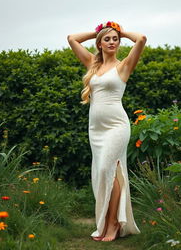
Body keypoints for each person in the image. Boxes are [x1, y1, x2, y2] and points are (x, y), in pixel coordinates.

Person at [67, 21, 147, 242]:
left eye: (115, 39)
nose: (112, 42)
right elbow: (72, 38)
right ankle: (105, 224)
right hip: (96, 130)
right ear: (100, 44)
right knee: (105, 175)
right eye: (107, 39)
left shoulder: (124, 66)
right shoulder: (92, 63)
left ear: (119, 42)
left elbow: (141, 39)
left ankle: (113, 224)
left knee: (107, 170)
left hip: (117, 127)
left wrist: (121, 31)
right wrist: (97, 31)